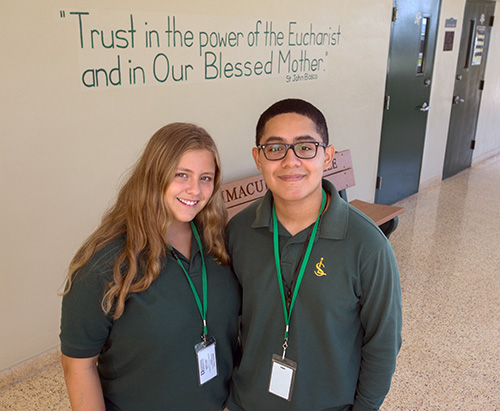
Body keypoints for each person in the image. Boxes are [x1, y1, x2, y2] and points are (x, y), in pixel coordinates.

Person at [225, 99, 402, 410]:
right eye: (275, 148)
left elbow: (383, 342)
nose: (290, 161)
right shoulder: (239, 232)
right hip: (249, 401)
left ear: (327, 156)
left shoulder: (368, 245)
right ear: (258, 158)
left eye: (305, 147)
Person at [60, 123, 241, 411]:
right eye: (182, 175)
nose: (195, 189)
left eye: (205, 178)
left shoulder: (217, 243)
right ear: (154, 175)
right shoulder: (106, 262)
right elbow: (78, 367)